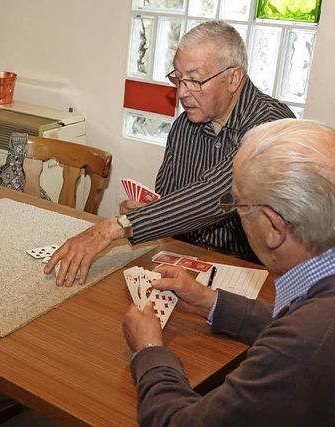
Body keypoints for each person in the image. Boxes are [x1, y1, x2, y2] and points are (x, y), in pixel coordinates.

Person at [46, 21, 294, 286]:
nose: (181, 93)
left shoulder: (272, 126)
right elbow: (170, 199)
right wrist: (148, 210)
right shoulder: (184, 125)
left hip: (254, 275)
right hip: (184, 262)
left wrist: (120, 225)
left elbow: (220, 194)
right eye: (178, 78)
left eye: (195, 80)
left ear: (233, 78)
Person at [123, 118, 335, 426]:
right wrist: (209, 302)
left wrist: (149, 350)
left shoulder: (305, 343)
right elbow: (295, 325)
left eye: (238, 203)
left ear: (274, 227)